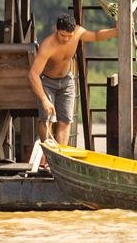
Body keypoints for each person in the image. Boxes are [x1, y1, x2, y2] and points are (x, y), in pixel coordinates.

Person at [29, 13, 117, 147]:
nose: (65, 39)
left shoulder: (78, 32)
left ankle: (61, 155)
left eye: (69, 36)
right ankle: (47, 154)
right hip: (47, 82)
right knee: (47, 119)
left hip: (66, 81)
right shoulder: (47, 46)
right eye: (62, 35)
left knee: (65, 120)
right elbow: (33, 74)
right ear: (56, 30)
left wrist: (116, 31)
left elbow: (96, 36)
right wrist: (44, 99)